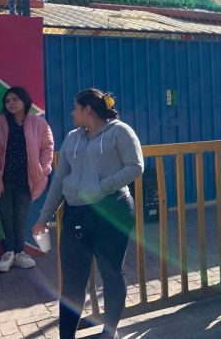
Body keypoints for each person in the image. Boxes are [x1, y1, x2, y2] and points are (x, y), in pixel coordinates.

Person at [33, 89, 143, 339]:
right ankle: (66, 335)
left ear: (88, 111)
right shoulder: (72, 137)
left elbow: (136, 166)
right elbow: (60, 179)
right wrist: (44, 216)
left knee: (112, 273)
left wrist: (102, 187)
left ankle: (110, 330)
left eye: (75, 108)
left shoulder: (120, 132)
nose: (72, 112)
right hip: (76, 215)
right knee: (72, 282)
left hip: (113, 210)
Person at [0, 87, 54, 272]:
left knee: (20, 217)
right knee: (5, 217)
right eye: (7, 101)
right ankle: (8, 253)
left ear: (25, 100)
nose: (11, 103)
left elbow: (48, 147)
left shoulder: (38, 123)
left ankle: (19, 253)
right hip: (2, 179)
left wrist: (45, 168)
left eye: (15, 99)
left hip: (26, 179)